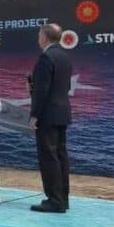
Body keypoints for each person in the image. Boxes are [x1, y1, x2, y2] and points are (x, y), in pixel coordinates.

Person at [29, 23, 73, 213]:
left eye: (39, 35)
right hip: (62, 113)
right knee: (61, 156)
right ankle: (63, 199)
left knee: (49, 158)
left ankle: (54, 201)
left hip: (47, 115)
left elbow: (42, 90)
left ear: (45, 38)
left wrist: (34, 115)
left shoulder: (46, 57)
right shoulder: (65, 57)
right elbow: (64, 86)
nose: (38, 38)